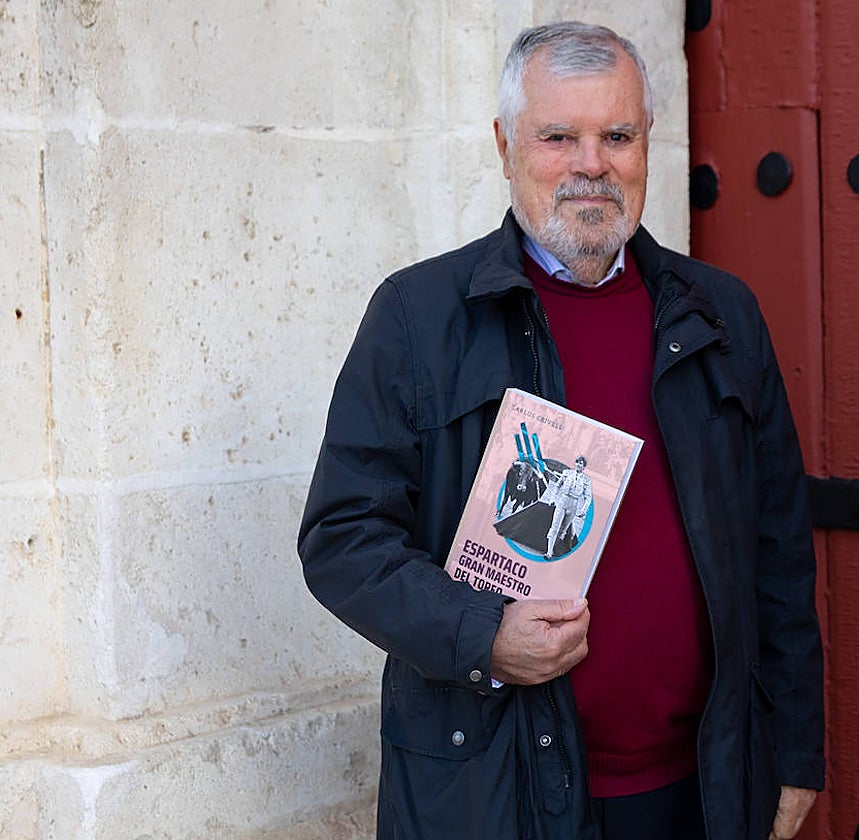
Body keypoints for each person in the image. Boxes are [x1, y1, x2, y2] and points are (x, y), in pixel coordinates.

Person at [298, 20, 824, 840]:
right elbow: (343, 539)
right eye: (558, 137)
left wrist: (793, 750)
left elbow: (778, 549)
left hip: (700, 789)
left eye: (617, 136)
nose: (591, 164)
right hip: (495, 793)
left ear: (648, 142)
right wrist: (482, 635)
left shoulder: (723, 315)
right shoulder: (417, 317)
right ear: (505, 144)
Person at [544, 455, 592, 557]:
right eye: (577, 462)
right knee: (554, 527)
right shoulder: (567, 473)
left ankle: (555, 549)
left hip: (573, 505)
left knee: (563, 530)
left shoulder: (586, 480)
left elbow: (588, 497)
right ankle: (549, 552)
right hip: (562, 501)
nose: (578, 465)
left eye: (581, 464)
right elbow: (557, 486)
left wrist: (583, 510)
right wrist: (552, 498)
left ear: (584, 467)